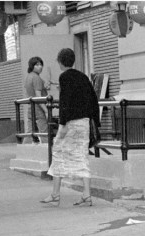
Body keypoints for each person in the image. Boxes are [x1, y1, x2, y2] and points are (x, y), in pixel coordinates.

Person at [42, 48, 100, 207]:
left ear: (60, 62)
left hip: (70, 123)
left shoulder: (64, 77)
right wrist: (95, 121)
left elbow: (65, 102)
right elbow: (93, 100)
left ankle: (55, 194)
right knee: (82, 155)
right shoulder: (83, 77)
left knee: (58, 153)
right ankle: (87, 194)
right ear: (73, 60)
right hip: (85, 123)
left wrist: (62, 123)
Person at [23, 56, 48, 145]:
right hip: (38, 107)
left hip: (30, 106)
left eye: (41, 64)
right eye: (37, 65)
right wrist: (46, 110)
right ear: (32, 66)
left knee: (30, 130)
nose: (40, 66)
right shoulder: (36, 78)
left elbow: (30, 92)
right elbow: (38, 96)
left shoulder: (28, 77)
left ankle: (24, 149)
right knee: (44, 129)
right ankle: (47, 150)